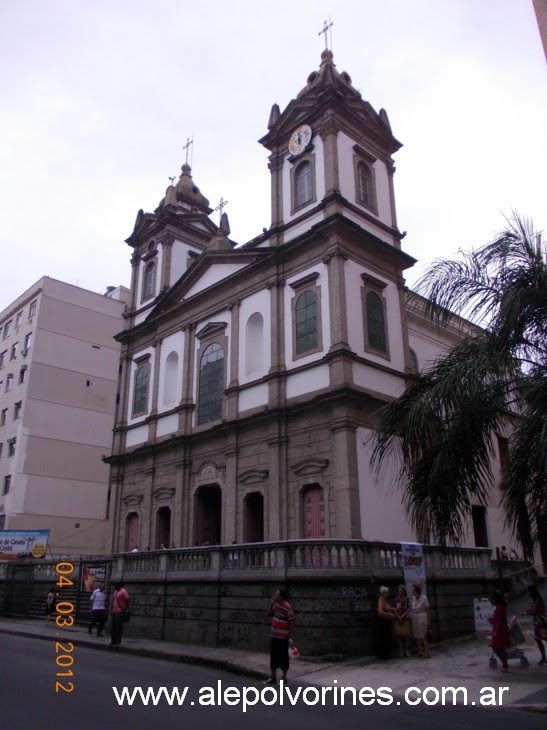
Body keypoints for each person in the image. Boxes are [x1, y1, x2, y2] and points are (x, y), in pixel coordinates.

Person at [265, 589, 295, 684]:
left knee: (283, 657)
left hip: (283, 637)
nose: (275, 597)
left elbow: (291, 624)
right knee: (273, 657)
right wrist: (270, 605)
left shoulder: (287, 607)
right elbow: (269, 615)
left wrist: (290, 638)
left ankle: (283, 678)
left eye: (277, 595)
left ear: (281, 596)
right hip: (274, 635)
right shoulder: (275, 605)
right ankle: (273, 677)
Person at [522, 585, 547, 665]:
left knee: (542, 639)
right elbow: (533, 610)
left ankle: (544, 658)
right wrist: (526, 611)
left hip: (541, 624)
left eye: (529, 592)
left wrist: (526, 613)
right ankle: (543, 657)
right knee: (539, 639)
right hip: (538, 623)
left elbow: (534, 611)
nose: (528, 593)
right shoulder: (536, 600)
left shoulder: (538, 601)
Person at [490, 590, 510, 673]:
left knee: (499, 647)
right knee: (498, 647)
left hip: (500, 631)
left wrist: (496, 632)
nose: (491, 602)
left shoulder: (499, 609)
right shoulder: (500, 608)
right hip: (500, 630)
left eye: (491, 600)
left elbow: (499, 620)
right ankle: (504, 664)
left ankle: (505, 665)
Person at [375, 586, 396, 659]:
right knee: (384, 638)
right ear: (384, 593)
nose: (388, 594)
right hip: (383, 623)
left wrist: (392, 609)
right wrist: (390, 615)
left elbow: (387, 608)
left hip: (386, 622)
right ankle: (383, 654)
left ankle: (386, 653)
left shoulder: (384, 600)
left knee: (387, 638)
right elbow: (380, 612)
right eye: (387, 593)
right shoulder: (381, 600)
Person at [411, 584, 430, 658]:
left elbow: (428, 609)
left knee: (422, 635)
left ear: (417, 592)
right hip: (415, 617)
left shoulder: (424, 598)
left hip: (422, 616)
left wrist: (428, 621)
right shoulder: (413, 598)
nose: (412, 592)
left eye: (413, 591)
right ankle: (420, 651)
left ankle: (427, 652)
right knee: (417, 635)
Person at [110, 581, 129, 648]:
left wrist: (126, 610)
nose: (115, 587)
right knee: (113, 626)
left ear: (119, 586)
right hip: (114, 611)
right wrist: (111, 608)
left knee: (118, 627)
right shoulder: (116, 591)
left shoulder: (123, 591)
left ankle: (118, 640)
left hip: (120, 611)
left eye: (116, 586)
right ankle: (113, 640)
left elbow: (127, 601)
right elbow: (114, 600)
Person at [394, 585, 411, 658]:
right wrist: (398, 616)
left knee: (406, 635)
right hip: (398, 619)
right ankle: (401, 650)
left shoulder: (406, 599)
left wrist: (403, 615)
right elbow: (394, 608)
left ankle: (406, 649)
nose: (399, 592)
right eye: (399, 591)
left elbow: (408, 608)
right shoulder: (396, 599)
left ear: (404, 592)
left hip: (405, 618)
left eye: (401, 591)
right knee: (399, 635)